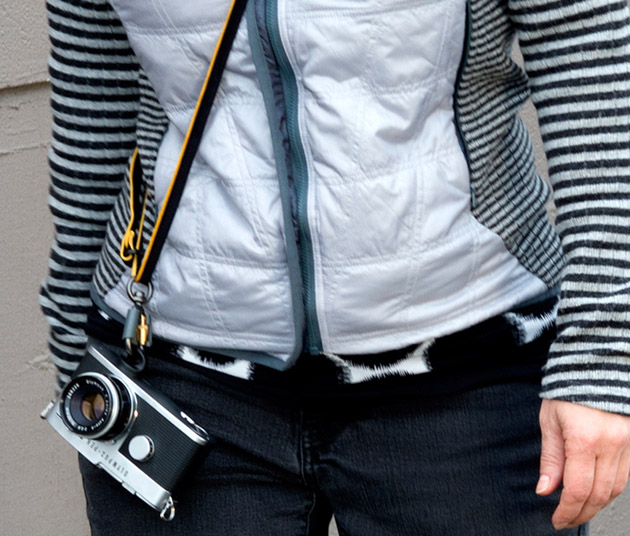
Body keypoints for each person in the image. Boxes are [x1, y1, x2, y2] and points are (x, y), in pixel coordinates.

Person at [41, 0, 630, 534]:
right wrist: (77, 345)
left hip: (468, 373)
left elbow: (593, 65)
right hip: (179, 379)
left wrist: (602, 353)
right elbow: (93, 107)